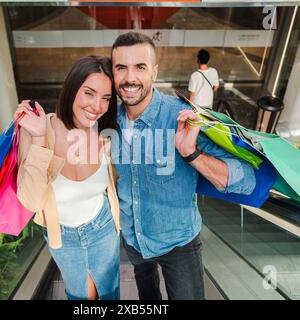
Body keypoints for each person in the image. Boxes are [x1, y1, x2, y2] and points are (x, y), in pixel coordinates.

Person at [110, 32, 256, 300]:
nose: (130, 78)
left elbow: (247, 179)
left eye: (140, 67)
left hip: (179, 244)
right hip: (134, 239)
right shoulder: (108, 120)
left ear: (154, 72)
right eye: (121, 67)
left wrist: (191, 153)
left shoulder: (182, 117)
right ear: (113, 73)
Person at [15, 56, 120, 300]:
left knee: (110, 291)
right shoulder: (37, 130)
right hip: (62, 235)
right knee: (80, 295)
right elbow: (30, 201)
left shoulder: (105, 134)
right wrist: (40, 139)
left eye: (106, 98)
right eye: (89, 93)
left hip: (103, 226)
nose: (97, 106)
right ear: (72, 88)